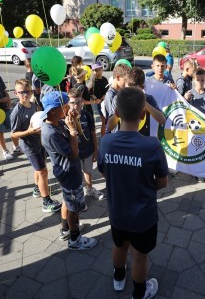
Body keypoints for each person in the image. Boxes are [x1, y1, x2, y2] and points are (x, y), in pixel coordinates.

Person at [98, 87, 168, 299]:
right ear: (142, 114)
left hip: (117, 212)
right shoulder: (152, 145)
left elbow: (104, 171)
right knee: (139, 256)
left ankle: (118, 278)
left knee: (119, 245)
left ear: (117, 113)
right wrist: (143, 188)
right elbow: (163, 183)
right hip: (143, 216)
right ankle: (139, 293)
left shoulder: (106, 142)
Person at [40, 91, 97, 250]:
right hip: (69, 174)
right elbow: (74, 152)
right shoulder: (50, 133)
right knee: (74, 209)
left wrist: (72, 120)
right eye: (64, 106)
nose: (67, 108)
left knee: (68, 201)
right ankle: (75, 239)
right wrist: (72, 131)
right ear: (53, 110)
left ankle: (65, 229)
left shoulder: (56, 122)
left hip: (69, 172)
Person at [10, 79, 61, 213]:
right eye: (21, 92)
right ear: (16, 93)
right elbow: (13, 134)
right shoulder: (16, 112)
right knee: (43, 171)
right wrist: (28, 131)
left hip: (39, 143)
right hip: (29, 147)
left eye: (27, 92)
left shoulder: (34, 105)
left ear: (31, 91)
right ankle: (46, 202)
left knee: (39, 169)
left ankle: (38, 189)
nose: (24, 95)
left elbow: (39, 118)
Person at [67, 88, 104, 201]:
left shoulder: (87, 115)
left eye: (78, 102)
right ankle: (77, 193)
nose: (75, 105)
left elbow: (93, 133)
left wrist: (96, 151)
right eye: (72, 102)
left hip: (87, 150)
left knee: (88, 171)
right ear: (68, 103)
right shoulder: (66, 118)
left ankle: (89, 188)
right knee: (76, 174)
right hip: (75, 152)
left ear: (82, 101)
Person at [125, 67, 166, 136]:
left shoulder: (148, 99)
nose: (131, 93)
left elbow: (162, 120)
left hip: (142, 140)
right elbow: (110, 126)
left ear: (142, 87)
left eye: (135, 90)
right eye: (129, 89)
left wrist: (145, 103)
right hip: (125, 140)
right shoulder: (119, 98)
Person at [190, 68, 205, 183]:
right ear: (194, 80)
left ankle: (203, 170)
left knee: (204, 150)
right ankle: (195, 172)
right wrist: (185, 98)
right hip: (193, 129)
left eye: (202, 80)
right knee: (194, 150)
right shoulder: (189, 94)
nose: (200, 82)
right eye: (198, 80)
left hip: (204, 128)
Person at [104, 63, 131, 133]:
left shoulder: (119, 92)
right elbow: (112, 117)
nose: (127, 84)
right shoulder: (110, 95)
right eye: (125, 80)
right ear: (118, 77)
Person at [89, 62, 108, 136]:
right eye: (95, 70)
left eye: (99, 69)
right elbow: (89, 92)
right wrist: (94, 97)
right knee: (103, 120)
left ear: (102, 69)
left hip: (106, 101)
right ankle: (103, 137)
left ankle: (106, 135)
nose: (97, 71)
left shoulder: (104, 79)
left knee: (106, 120)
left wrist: (105, 95)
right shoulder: (94, 81)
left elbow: (107, 89)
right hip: (99, 103)